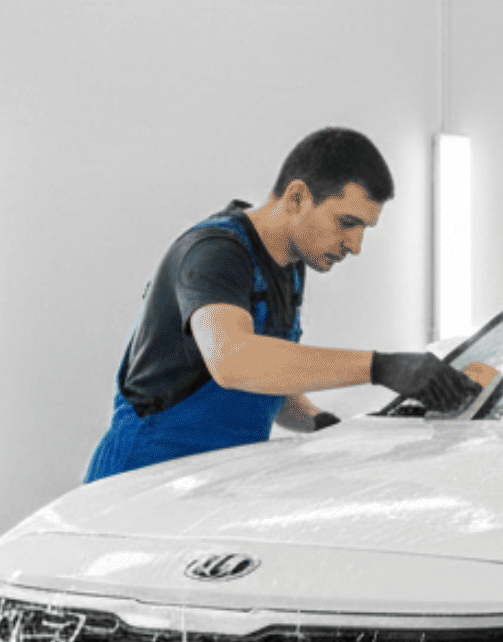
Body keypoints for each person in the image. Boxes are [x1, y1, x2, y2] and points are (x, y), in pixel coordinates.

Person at [85, 127, 478, 482]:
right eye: (346, 223)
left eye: (364, 229)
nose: (355, 245)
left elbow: (266, 377)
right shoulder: (214, 253)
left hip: (211, 480)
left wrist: (322, 424)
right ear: (297, 198)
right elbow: (235, 361)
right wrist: (381, 367)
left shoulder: (289, 266)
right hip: (141, 478)